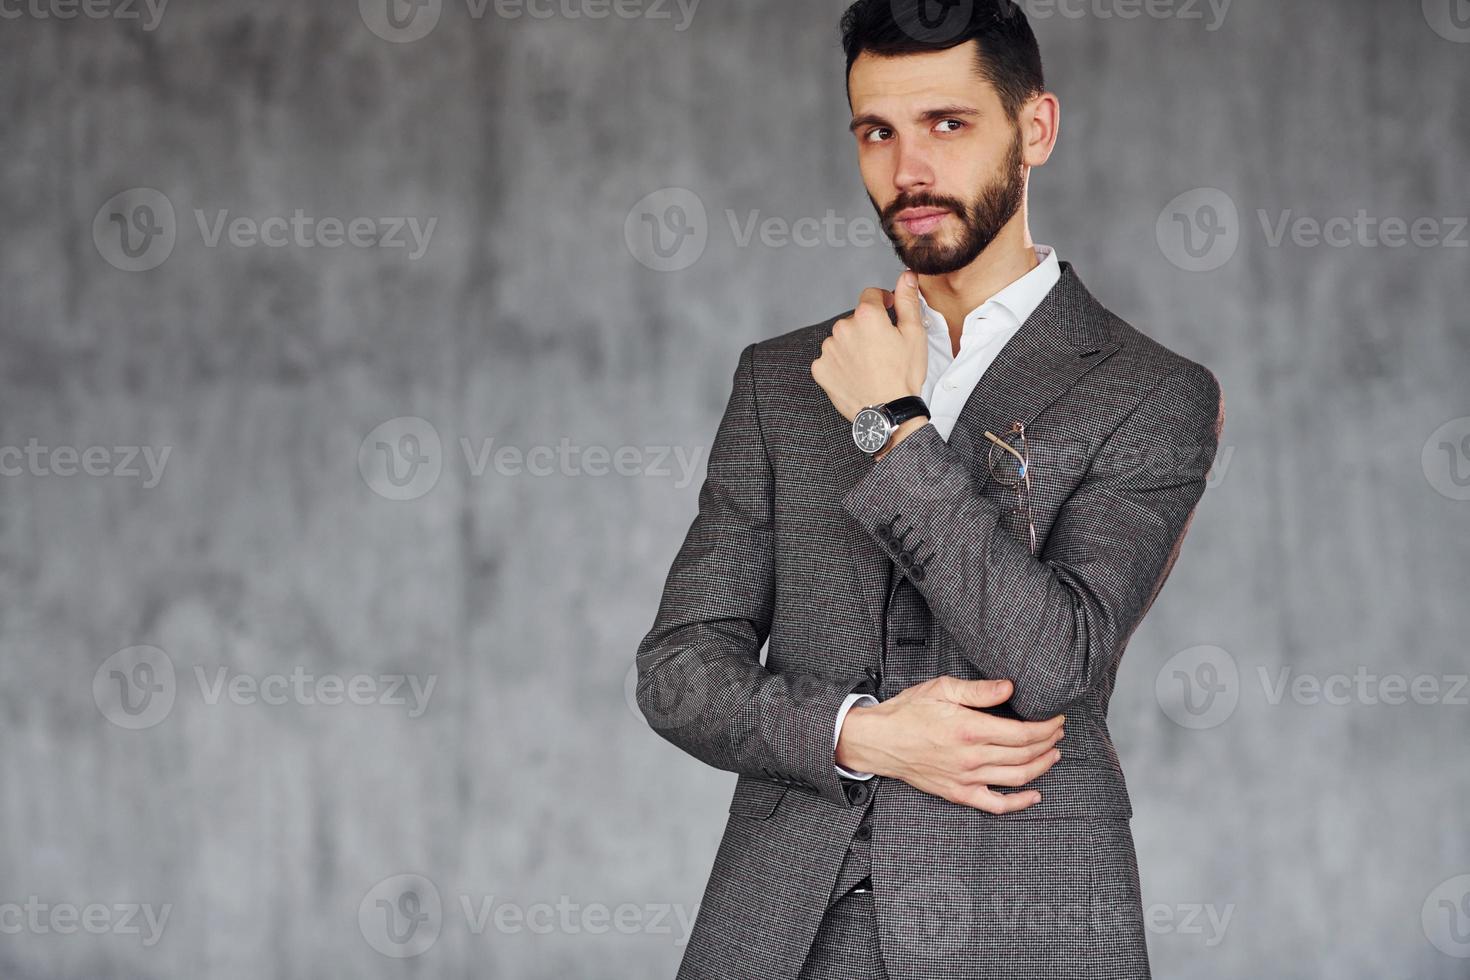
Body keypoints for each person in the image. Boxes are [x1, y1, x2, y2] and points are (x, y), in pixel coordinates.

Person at [635, 2, 1224, 977]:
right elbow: (678, 669)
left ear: (1034, 128)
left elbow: (1051, 661)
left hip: (1027, 924)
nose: (908, 170)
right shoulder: (782, 379)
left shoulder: (1153, 392)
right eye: (878, 131)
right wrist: (859, 734)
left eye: (947, 124)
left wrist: (889, 426)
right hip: (780, 925)